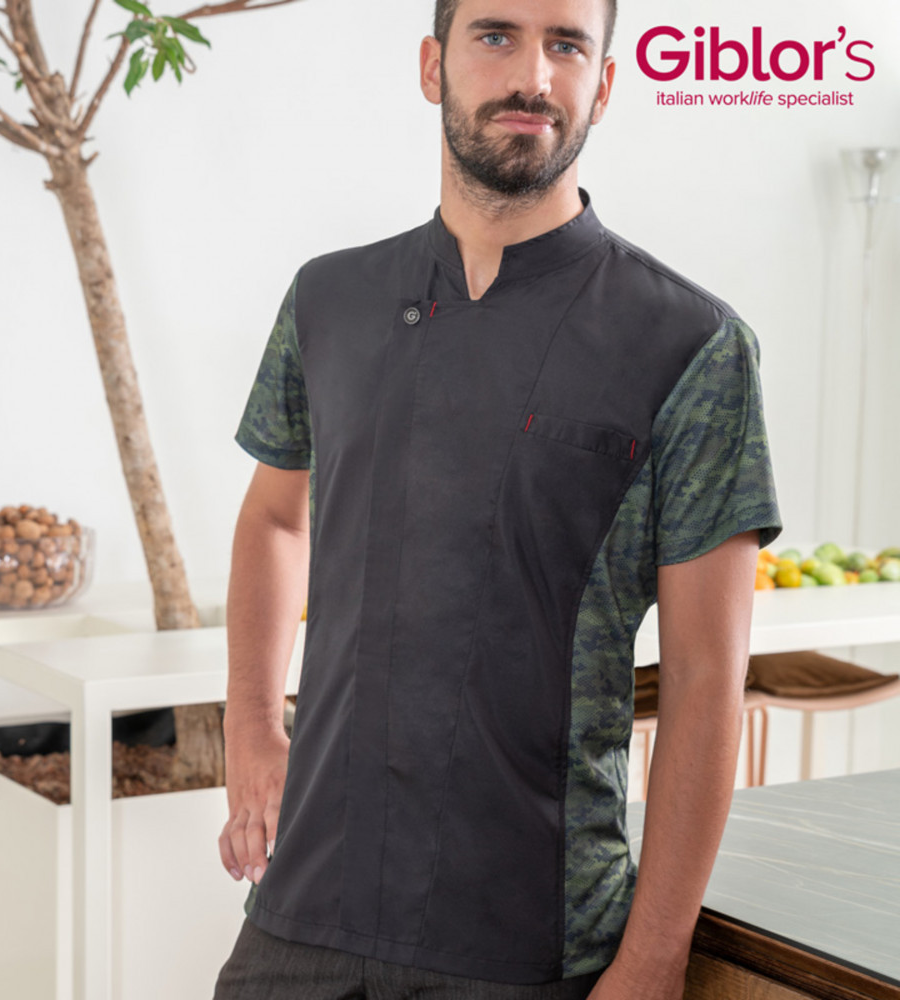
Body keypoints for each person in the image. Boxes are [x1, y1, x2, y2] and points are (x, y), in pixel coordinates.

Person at [214, 0, 783, 996]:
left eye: (566, 44)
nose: (533, 76)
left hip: (530, 942)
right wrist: (252, 722)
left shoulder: (691, 346)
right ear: (432, 66)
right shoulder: (328, 301)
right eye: (495, 35)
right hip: (303, 914)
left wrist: (654, 957)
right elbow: (272, 517)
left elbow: (705, 680)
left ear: (603, 85)